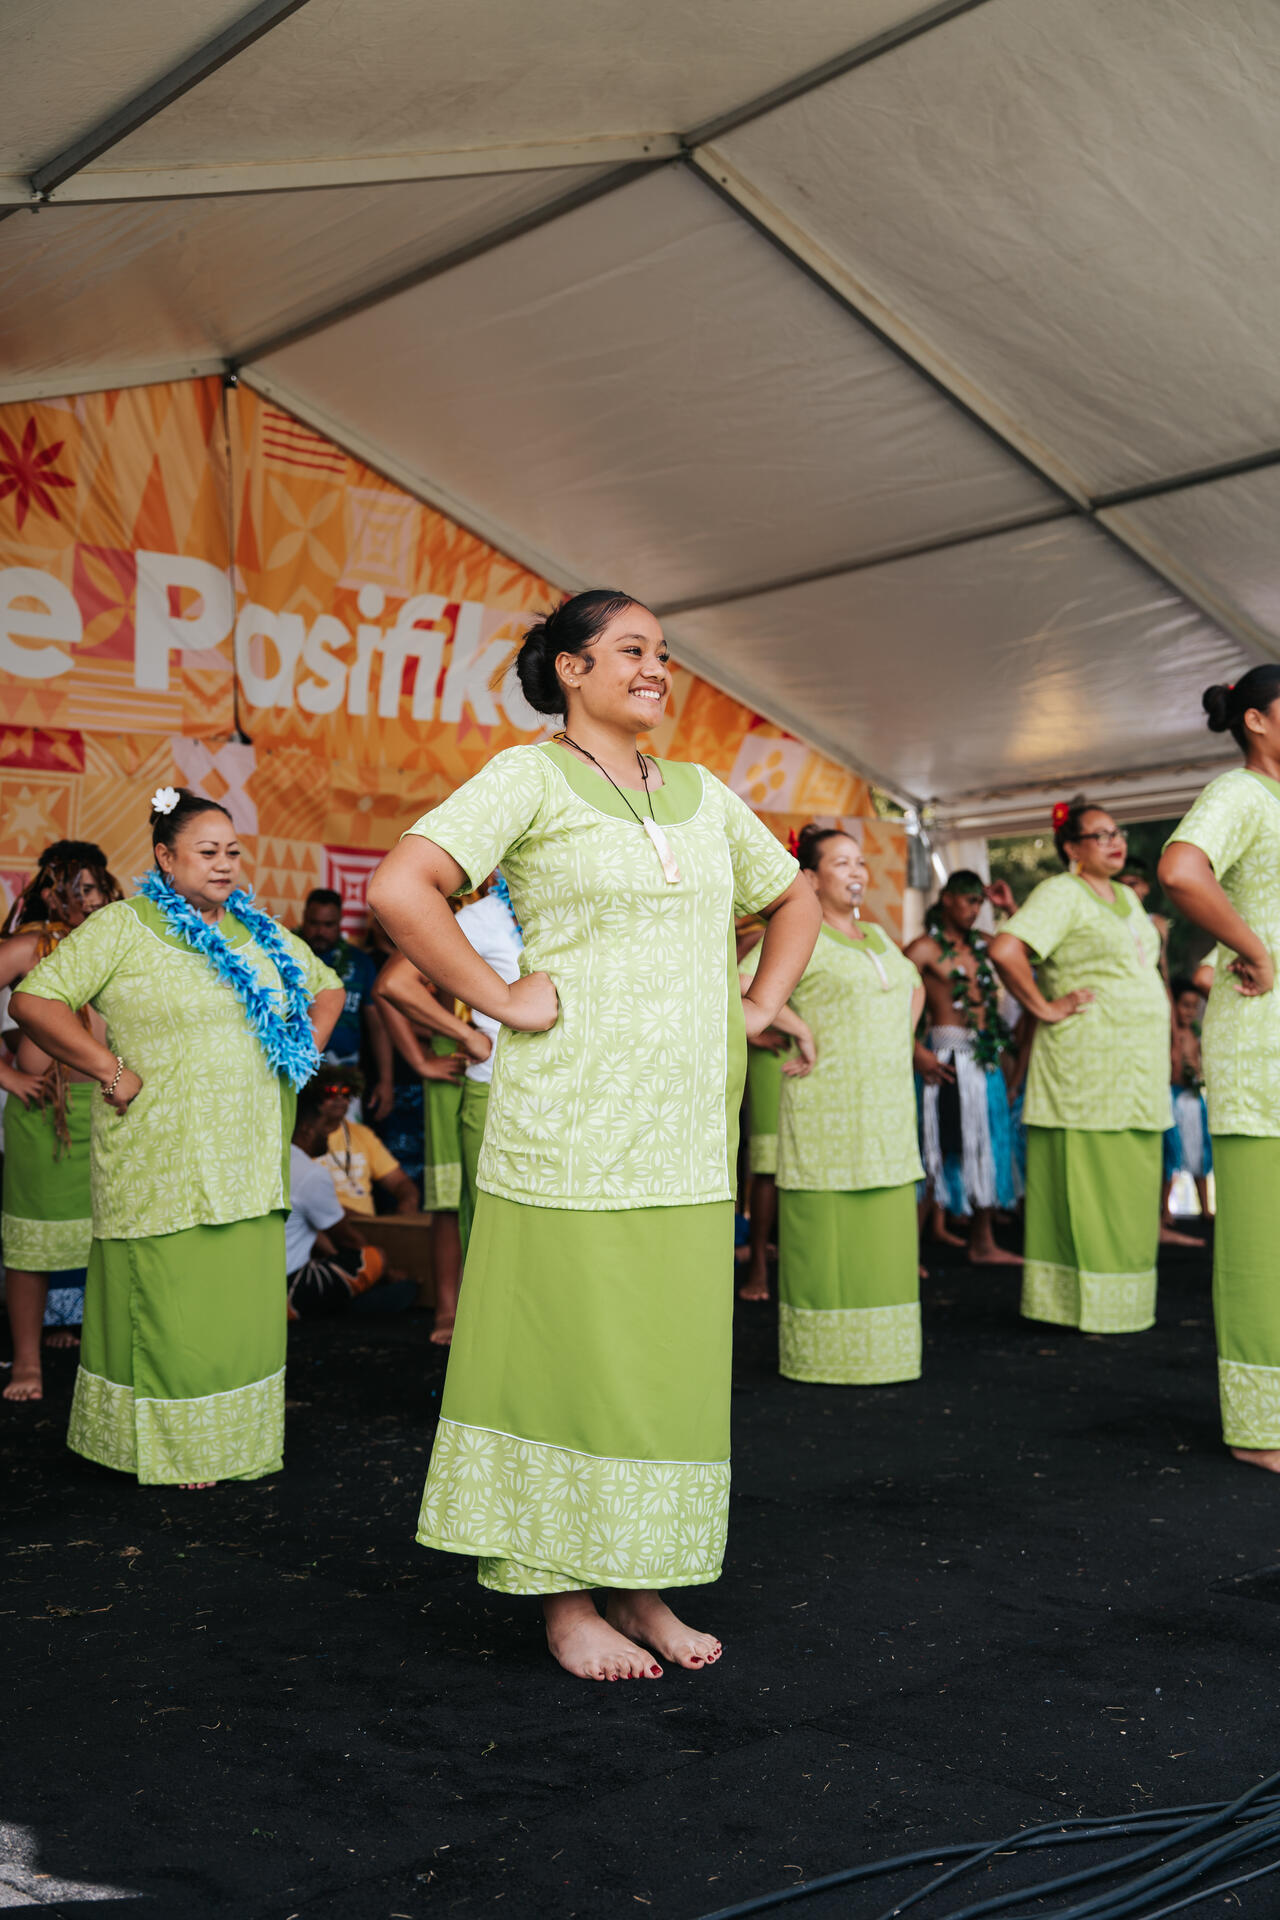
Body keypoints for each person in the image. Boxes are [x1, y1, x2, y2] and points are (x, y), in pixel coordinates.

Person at [367, 588, 819, 1683]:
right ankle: (561, 1598)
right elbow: (401, 887)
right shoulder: (526, 776)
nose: (656, 667)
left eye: (662, 652)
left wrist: (756, 1006)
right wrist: (496, 996)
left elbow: (793, 899)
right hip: (566, 1126)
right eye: (630, 649)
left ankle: (641, 1583)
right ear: (571, 669)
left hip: (685, 1134)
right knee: (565, 1358)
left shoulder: (706, 796)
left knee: (660, 1366)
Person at [10, 787, 343, 1488]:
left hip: (249, 1157)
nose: (224, 865)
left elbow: (328, 988)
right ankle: (179, 1445)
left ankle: (228, 1438)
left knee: (238, 1310)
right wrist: (107, 1065)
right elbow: (34, 1000)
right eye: (206, 852)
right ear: (164, 858)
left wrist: (305, 1050)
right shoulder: (122, 927)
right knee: (175, 1305)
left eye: (232, 852)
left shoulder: (261, 932)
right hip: (162, 1160)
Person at [1159, 667, 1280, 1471]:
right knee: (1263, 1243)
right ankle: (1261, 1427)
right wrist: (1253, 946)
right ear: (1259, 723)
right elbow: (1180, 869)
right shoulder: (1241, 794)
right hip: (1263, 1043)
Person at [989, 798, 1170, 1335]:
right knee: (1089, 1186)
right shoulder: (1062, 892)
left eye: (1118, 833)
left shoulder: (1126, 899)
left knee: (1131, 1184)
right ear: (1071, 848)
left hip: (1136, 1069)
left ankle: (1124, 1303)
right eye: (1100, 835)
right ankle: (1076, 1306)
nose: (1115, 842)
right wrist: (1043, 1007)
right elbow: (1005, 949)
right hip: (1086, 1066)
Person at [776, 827, 924, 1384]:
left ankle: (887, 1356)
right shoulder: (798, 933)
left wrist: (898, 1039)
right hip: (825, 1109)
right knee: (827, 1232)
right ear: (810, 878)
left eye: (861, 861)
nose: (857, 871)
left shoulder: (880, 936)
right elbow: (740, 986)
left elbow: (915, 986)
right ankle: (821, 1360)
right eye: (842, 863)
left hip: (886, 1112)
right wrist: (800, 1030)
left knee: (883, 1235)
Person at [1, 841, 120, 1401]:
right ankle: (27, 1363)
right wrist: (8, 1078)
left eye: (100, 887)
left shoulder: (115, 943)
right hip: (43, 1117)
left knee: (109, 1241)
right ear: (52, 891)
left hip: (105, 1111)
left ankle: (106, 1357)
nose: (96, 899)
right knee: (32, 1247)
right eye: (85, 888)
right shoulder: (29, 947)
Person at [377, 874, 525, 1261]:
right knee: (482, 1220)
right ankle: (457, 1315)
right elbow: (394, 983)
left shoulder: (571, 912)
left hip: (566, 1092)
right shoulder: (485, 915)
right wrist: (465, 1036)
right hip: (493, 1086)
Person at [906, 873, 1020, 1265]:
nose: (975, 909)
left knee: (991, 1143)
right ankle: (910, 1252)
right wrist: (914, 1049)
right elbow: (887, 995)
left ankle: (983, 1242)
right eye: (969, 900)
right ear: (948, 900)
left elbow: (1031, 956)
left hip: (985, 1059)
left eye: (980, 903)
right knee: (938, 1150)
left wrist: (1009, 908)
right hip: (946, 1057)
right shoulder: (923, 949)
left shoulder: (988, 947)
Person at [369, 971, 472, 1341]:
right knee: (448, 1197)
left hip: (515, 1059)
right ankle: (447, 1310)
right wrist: (421, 1058)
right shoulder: (466, 917)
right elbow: (387, 990)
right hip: (457, 1063)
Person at [286, 1081, 415, 1316]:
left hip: (263, 1277)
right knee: (373, 1258)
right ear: (305, 1130)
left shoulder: (276, 1159)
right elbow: (348, 1239)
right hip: (288, 1286)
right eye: (324, 1128)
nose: (328, 1134)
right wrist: (384, 1270)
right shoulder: (309, 1172)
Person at [735, 927, 815, 1303]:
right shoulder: (762, 936)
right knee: (768, 1161)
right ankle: (758, 1266)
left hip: (814, 1051)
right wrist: (753, 1034)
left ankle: (789, 1255)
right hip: (778, 1051)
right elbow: (731, 982)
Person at [297, 889, 393, 1119]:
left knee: (347, 1147)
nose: (320, 931)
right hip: (295, 1071)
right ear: (303, 918)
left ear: (340, 922)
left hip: (345, 1075)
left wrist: (386, 1081)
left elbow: (378, 1026)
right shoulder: (285, 955)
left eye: (328, 924)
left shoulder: (359, 963)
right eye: (313, 923)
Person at [312, 1067, 420, 1216]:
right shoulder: (302, 1137)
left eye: (345, 1092)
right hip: (324, 1229)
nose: (339, 1098)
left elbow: (399, 1181)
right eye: (330, 1091)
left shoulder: (362, 1134)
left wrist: (408, 1202)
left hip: (367, 1229)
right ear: (313, 1096)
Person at [1163, 976, 1213, 1228]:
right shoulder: (1172, 1035)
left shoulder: (1196, 1034)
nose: (1189, 1011)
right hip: (1174, 1098)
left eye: (1194, 1006)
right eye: (1184, 1005)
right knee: (1172, 1153)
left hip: (1193, 1100)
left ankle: (1205, 1207)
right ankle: (1165, 1210)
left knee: (1200, 1154)